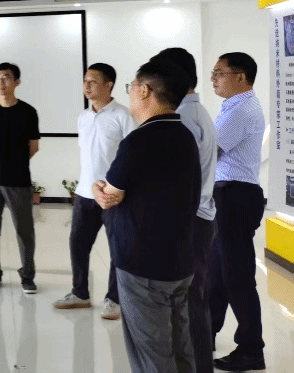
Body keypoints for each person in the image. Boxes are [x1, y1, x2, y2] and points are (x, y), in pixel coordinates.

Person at [93, 60, 199, 373]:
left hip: (143, 267)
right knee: (181, 350)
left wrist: (99, 190)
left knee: (151, 356)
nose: (129, 93)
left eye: (131, 86)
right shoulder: (185, 135)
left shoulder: (139, 140)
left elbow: (110, 194)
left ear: (144, 90)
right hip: (179, 261)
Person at [149, 48, 217, 373]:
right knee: (192, 300)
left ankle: (199, 366)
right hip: (199, 217)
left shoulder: (185, 118)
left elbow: (176, 178)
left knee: (191, 303)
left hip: (191, 220)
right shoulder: (194, 111)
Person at [53, 63, 132, 319]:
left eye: (93, 82)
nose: (86, 86)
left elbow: (132, 156)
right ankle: (80, 294)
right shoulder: (83, 117)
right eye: (85, 81)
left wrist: (121, 188)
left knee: (117, 249)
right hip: (85, 194)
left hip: (113, 196)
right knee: (78, 245)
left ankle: (114, 299)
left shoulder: (123, 115)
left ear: (109, 85)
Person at [208, 52, 267, 372]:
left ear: (241, 77)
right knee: (217, 272)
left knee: (236, 276)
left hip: (235, 197)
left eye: (220, 72)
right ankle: (205, 333)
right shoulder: (233, 106)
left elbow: (209, 153)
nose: (213, 78)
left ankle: (251, 349)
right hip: (228, 195)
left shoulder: (242, 110)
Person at [0, 62, 40, 293]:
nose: (0, 82)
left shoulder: (28, 112)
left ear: (17, 81)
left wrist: (15, 164)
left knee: (24, 230)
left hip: (18, 179)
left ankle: (27, 275)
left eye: (6, 77)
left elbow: (33, 146)